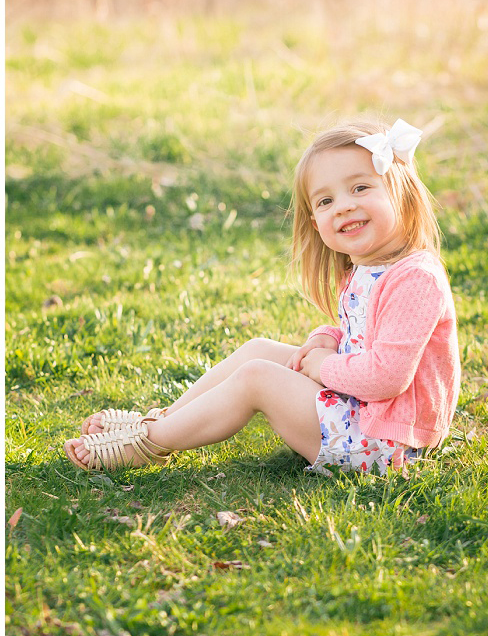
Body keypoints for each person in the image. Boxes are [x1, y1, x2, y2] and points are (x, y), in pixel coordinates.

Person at [64, 119, 461, 475]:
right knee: (258, 350)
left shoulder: (415, 279)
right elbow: (363, 331)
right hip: (368, 418)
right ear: (315, 222)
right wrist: (326, 339)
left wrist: (322, 367)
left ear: (402, 194)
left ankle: (150, 444)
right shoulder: (367, 266)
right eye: (326, 201)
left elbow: (386, 377)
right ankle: (160, 420)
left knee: (258, 378)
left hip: (388, 444)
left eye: (360, 188)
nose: (344, 206)